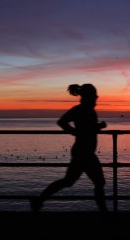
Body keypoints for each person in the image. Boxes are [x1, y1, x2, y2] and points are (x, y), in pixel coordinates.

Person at [31, 83, 108, 212]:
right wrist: (92, 128)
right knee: (97, 183)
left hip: (84, 152)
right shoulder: (81, 110)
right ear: (88, 96)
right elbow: (66, 123)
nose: (96, 98)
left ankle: (39, 200)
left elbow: (83, 128)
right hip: (83, 153)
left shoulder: (86, 110)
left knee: (70, 181)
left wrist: (86, 130)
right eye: (94, 96)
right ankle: (104, 213)